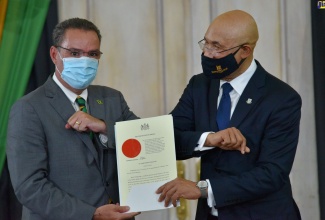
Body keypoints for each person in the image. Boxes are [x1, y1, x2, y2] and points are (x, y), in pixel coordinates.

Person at [156, 10, 302, 220]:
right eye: (205, 43)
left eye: (217, 47)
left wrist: (203, 189)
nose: (207, 53)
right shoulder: (199, 85)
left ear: (245, 50)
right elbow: (167, 139)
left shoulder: (282, 98)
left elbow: (272, 174)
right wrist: (209, 139)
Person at [6, 18, 140, 220]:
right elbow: (29, 187)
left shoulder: (112, 98)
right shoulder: (29, 108)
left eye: (93, 54)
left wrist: (104, 127)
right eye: (75, 53)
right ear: (54, 54)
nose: (84, 61)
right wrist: (92, 214)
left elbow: (146, 138)